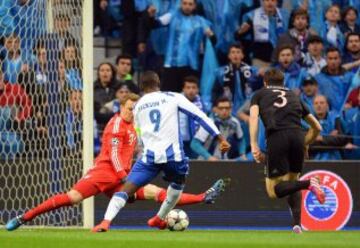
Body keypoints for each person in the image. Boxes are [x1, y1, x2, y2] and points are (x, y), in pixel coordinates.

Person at [5, 93, 226, 231]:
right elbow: (112, 155)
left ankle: (203, 197)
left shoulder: (134, 125)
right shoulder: (117, 125)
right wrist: (125, 180)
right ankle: (25, 217)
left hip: (123, 175)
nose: (132, 111)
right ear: (121, 107)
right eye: (129, 108)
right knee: (73, 198)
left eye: (134, 108)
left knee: (155, 193)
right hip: (105, 172)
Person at [93, 71, 231, 231]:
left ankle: (105, 222)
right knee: (177, 184)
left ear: (141, 87)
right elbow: (200, 116)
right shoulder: (173, 97)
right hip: (174, 157)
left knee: (125, 191)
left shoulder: (138, 106)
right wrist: (220, 138)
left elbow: (138, 134)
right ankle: (159, 218)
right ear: (158, 83)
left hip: (149, 158)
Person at [249, 68, 325, 234]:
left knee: (273, 191)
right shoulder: (294, 96)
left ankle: (309, 183)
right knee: (292, 182)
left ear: (265, 82)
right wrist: (305, 143)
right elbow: (317, 127)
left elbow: (254, 117)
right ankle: (297, 225)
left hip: (277, 137)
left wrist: (254, 145)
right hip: (297, 136)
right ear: (283, 83)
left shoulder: (259, 94)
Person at [146, 0, 216, 92]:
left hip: (191, 66)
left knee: (189, 98)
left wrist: (211, 35)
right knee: (168, 96)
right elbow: (154, 24)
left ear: (194, 6)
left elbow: (214, 41)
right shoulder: (171, 16)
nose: (187, 6)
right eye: (185, 3)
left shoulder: (201, 22)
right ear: (180, 4)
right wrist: (151, 16)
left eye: (190, 4)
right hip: (171, 64)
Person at [236, 0, 289, 67]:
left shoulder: (285, 15)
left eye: (273, 0)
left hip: (282, 59)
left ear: (277, 2)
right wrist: (240, 32)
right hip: (260, 60)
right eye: (267, 0)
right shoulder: (253, 16)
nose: (270, 3)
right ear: (262, 2)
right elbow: (241, 38)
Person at [315, 47, 357, 114]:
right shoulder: (318, 78)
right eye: (330, 58)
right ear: (326, 60)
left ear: (340, 59)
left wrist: (351, 104)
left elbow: (356, 94)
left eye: (335, 58)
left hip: (347, 114)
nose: (333, 61)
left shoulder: (350, 77)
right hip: (327, 116)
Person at [310, 95, 348, 160]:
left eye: (322, 103)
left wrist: (320, 138)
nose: (318, 105)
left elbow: (341, 140)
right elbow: (308, 144)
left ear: (327, 105)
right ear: (313, 106)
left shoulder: (336, 119)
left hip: (335, 160)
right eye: (316, 103)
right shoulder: (307, 122)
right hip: (314, 161)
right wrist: (329, 137)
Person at [179, 76, 204, 159]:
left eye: (193, 88)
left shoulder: (202, 104)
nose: (191, 90)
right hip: (180, 142)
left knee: (196, 167)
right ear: (183, 89)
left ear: (198, 90)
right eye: (188, 87)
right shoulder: (175, 102)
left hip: (196, 141)